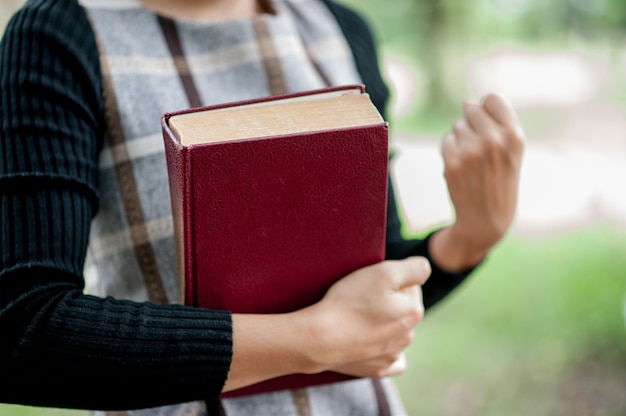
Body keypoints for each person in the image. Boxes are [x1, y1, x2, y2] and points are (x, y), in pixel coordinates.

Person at [0, 0, 525, 415]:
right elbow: (22, 326)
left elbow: (370, 297)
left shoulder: (340, 29)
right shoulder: (58, 35)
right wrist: (313, 340)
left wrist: (470, 238)